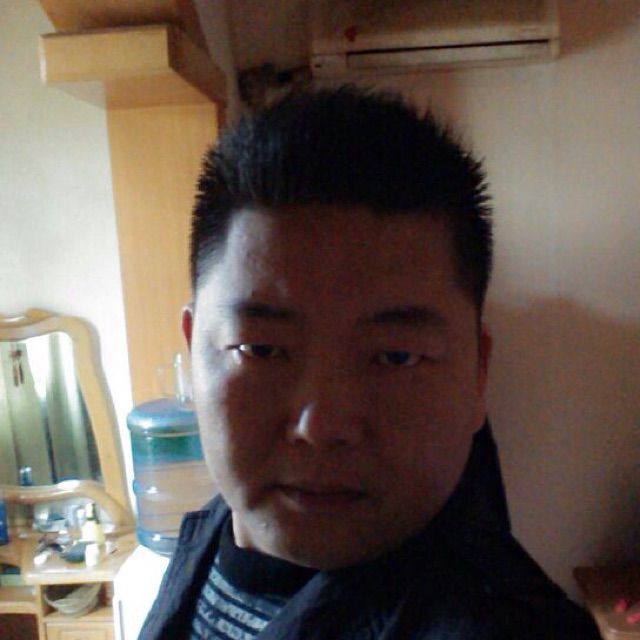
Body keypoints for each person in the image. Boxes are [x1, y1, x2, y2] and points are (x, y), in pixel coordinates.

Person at [140, 86, 599, 639]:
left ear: (478, 374)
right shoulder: (211, 530)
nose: (322, 426)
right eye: (261, 349)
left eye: (396, 356)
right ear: (192, 350)